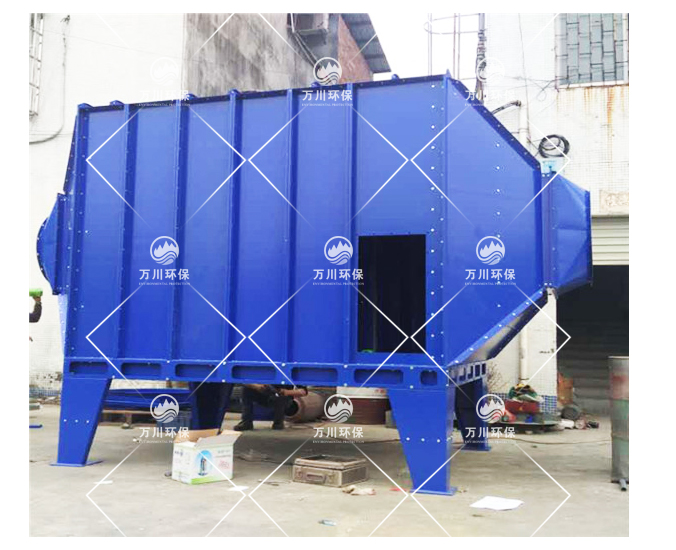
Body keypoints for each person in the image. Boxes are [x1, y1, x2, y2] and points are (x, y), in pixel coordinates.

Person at [234, 384, 307, 431]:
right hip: (264, 392)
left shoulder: (289, 370)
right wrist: (257, 386)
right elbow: (244, 381)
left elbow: (303, 391)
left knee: (280, 397)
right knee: (246, 390)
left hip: (282, 397)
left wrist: (285, 392)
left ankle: (278, 423)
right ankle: (246, 422)